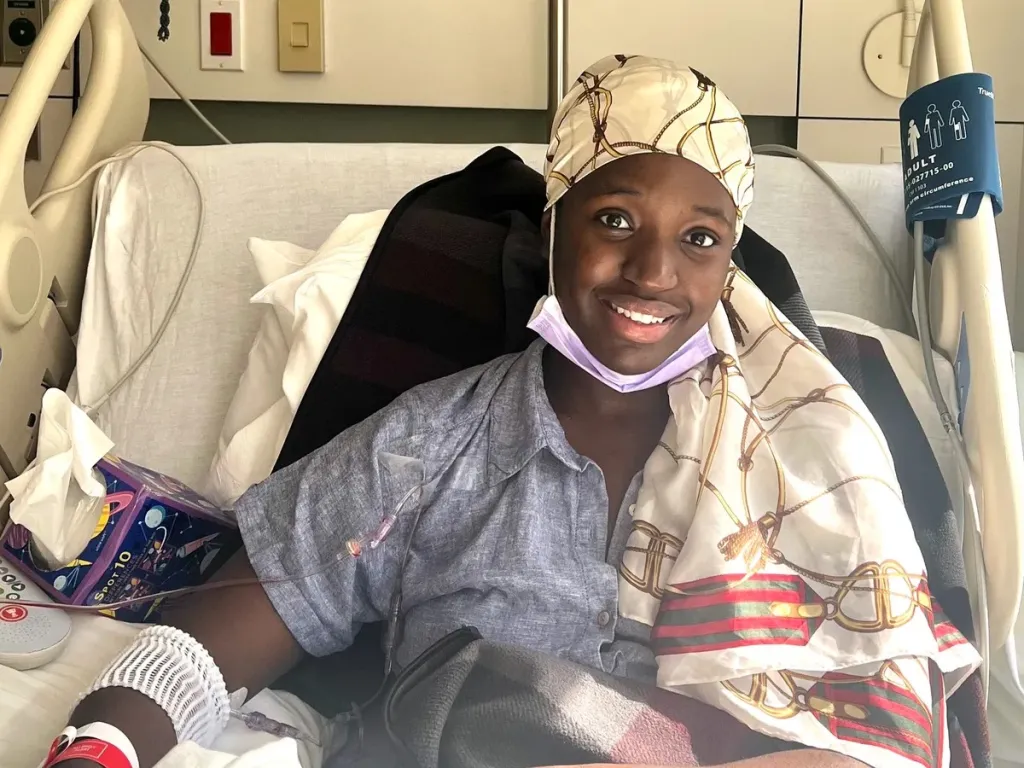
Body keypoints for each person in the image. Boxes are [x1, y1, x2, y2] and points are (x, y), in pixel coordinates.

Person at [52, 55, 975, 768]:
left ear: (728, 267)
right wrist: (101, 745)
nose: (655, 273)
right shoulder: (426, 450)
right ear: (554, 228)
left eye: (699, 240)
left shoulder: (813, 467)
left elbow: (883, 714)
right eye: (615, 219)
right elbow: (216, 643)